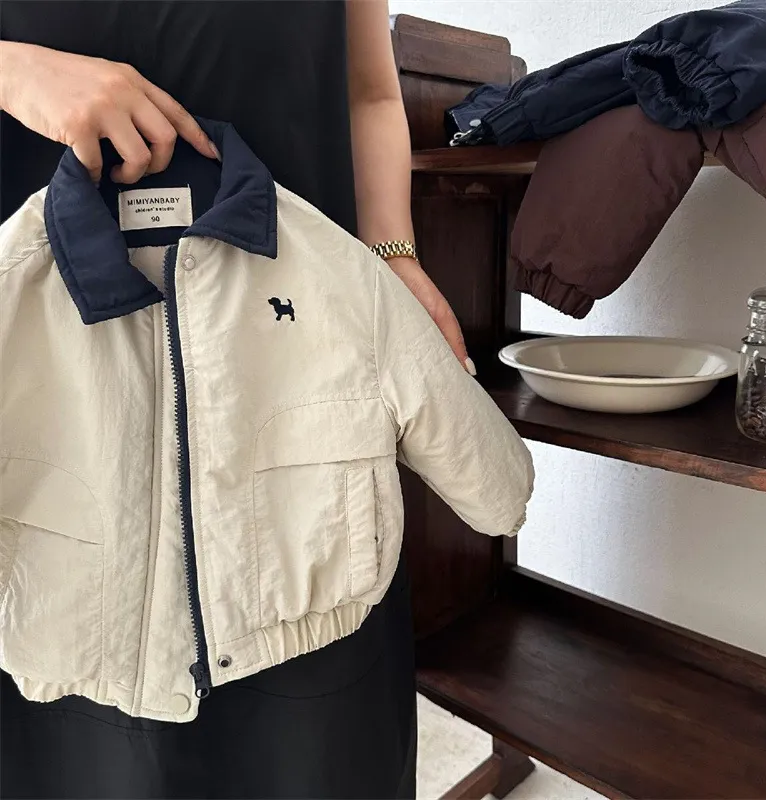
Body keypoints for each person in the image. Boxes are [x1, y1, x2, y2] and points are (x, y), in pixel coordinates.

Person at [0, 2, 472, 797]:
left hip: (297, 371)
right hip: (45, 365)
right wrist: (12, 69)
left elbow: (369, 91)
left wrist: (392, 253)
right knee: (74, 723)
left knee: (316, 731)